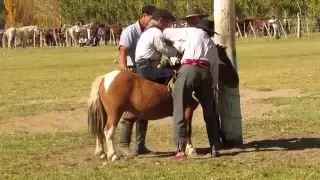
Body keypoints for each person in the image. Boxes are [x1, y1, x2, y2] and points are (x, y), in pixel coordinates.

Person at [163, 19, 221, 160]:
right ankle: (214, 147)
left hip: (188, 69)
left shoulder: (191, 31)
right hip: (206, 73)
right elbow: (215, 67)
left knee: (179, 107)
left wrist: (179, 46)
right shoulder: (212, 44)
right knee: (209, 110)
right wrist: (212, 85)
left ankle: (181, 148)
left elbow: (166, 33)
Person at [117, 5, 157, 157]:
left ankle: (141, 146)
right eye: (152, 18)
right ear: (144, 16)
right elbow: (123, 50)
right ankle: (123, 145)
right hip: (132, 70)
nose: (153, 22)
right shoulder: (130, 31)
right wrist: (124, 70)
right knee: (130, 110)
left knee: (144, 109)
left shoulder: (150, 31)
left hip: (146, 70)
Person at [135, 9, 181, 84]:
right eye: (168, 21)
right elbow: (163, 49)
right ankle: (177, 95)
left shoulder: (149, 31)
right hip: (148, 67)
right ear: (160, 20)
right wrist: (178, 53)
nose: (169, 24)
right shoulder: (156, 32)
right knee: (172, 75)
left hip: (145, 65)